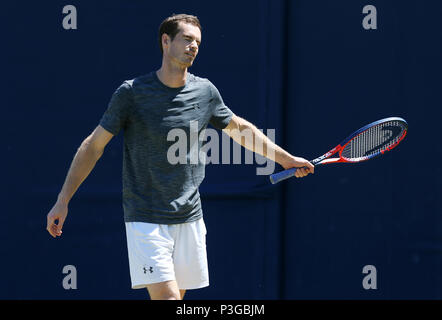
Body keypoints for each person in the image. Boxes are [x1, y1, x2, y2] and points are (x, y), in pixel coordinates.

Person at [46, 13, 314, 300]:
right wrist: (63, 199)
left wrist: (286, 159)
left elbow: (239, 129)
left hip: (190, 217)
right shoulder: (132, 93)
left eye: (197, 42)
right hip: (145, 219)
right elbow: (93, 147)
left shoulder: (205, 91)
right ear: (165, 41)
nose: (193, 46)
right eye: (186, 39)